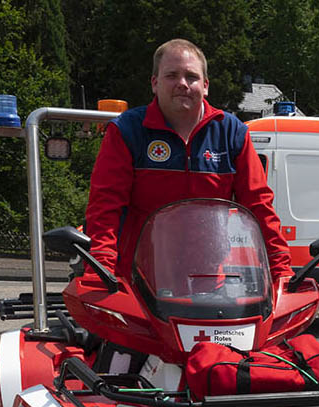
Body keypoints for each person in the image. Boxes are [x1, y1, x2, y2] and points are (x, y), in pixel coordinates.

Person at [85, 38, 292, 284]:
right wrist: (100, 272)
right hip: (139, 281)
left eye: (191, 77)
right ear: (154, 83)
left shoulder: (232, 133)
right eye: (172, 75)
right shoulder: (127, 130)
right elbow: (105, 208)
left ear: (205, 86)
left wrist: (282, 272)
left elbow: (259, 206)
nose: (182, 84)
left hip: (208, 283)